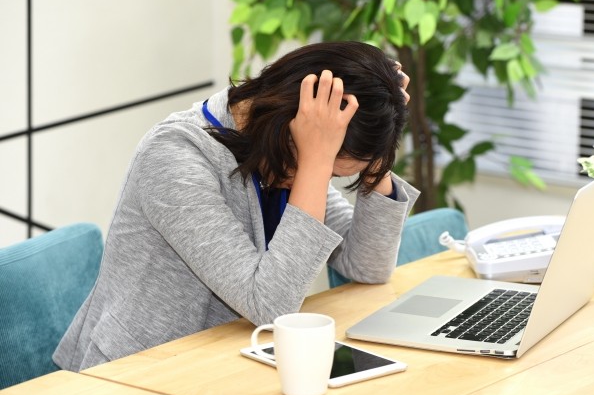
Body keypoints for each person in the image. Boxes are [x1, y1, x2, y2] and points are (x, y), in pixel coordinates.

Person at [53, 41, 420, 371]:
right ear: (295, 123)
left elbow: (368, 265)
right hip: (133, 374)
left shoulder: (283, 154)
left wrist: (378, 145)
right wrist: (316, 161)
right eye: (323, 167)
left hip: (227, 364)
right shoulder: (173, 157)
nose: (321, 182)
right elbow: (269, 306)